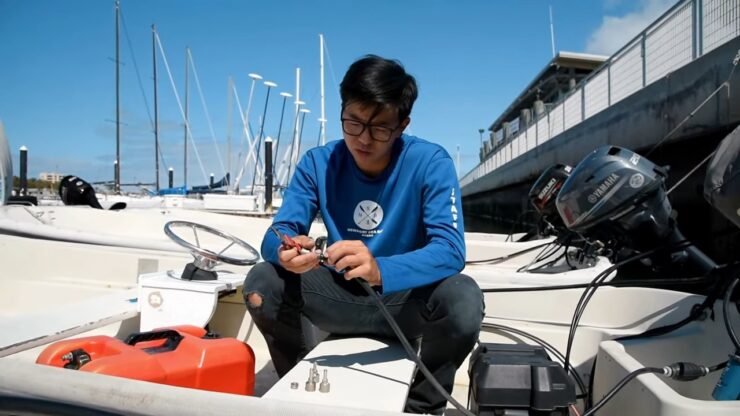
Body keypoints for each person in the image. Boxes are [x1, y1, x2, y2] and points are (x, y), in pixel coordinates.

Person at [243, 54, 484, 414]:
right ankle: (297, 388)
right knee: (262, 283)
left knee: (464, 299)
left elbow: (450, 250)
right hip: (337, 296)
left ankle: (421, 406)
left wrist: (381, 269)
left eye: (380, 127)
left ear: (403, 124)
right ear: (342, 111)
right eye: (353, 122)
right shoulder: (317, 163)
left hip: (405, 302)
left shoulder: (431, 162)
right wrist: (285, 250)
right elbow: (278, 231)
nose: (363, 138)